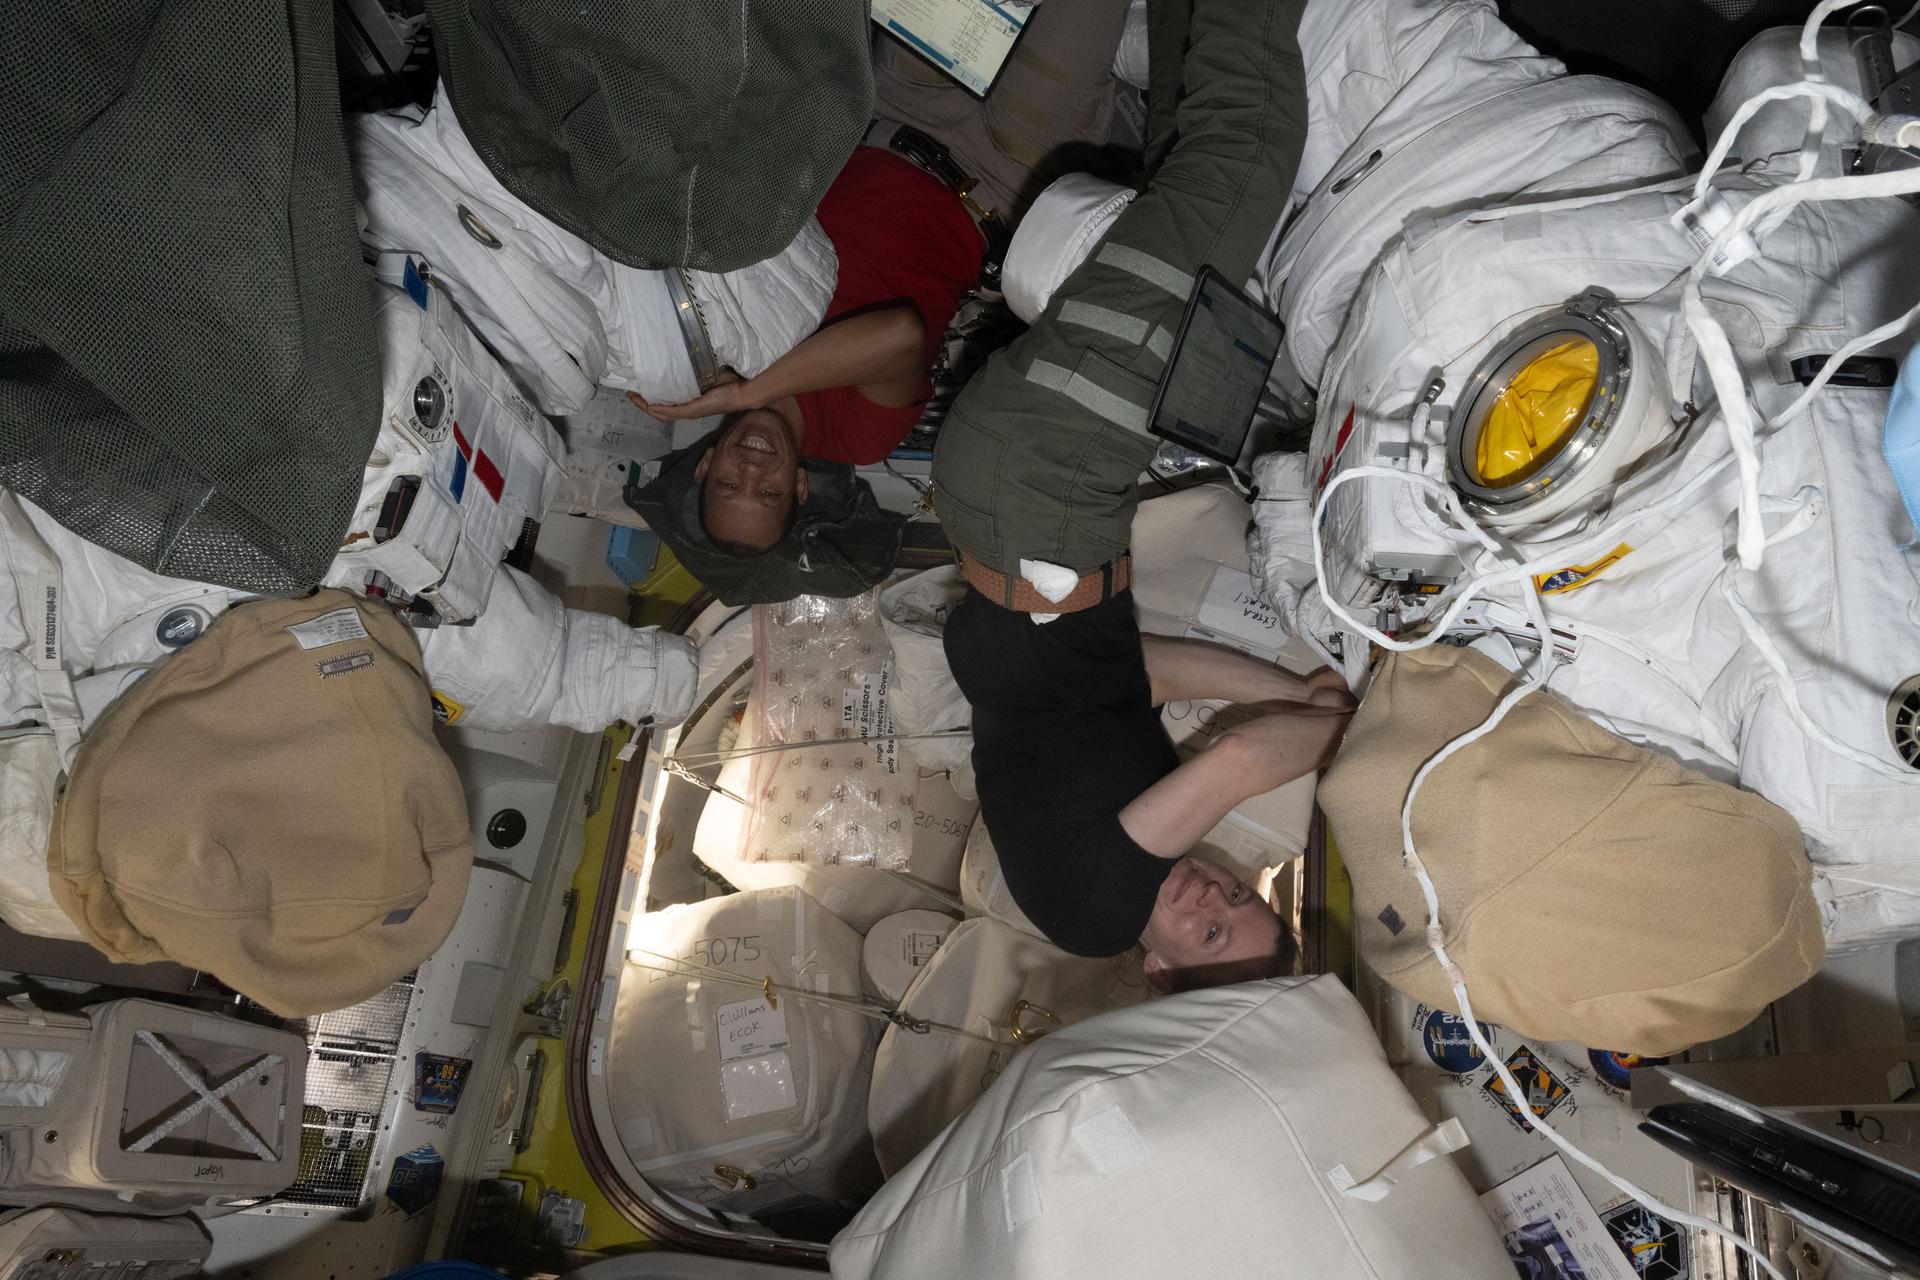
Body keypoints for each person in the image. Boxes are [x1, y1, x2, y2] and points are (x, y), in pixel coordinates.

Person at [933, 0, 1328, 985]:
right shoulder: (1119, 838)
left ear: (1156, 969)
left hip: (1047, 487)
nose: (1213, 898)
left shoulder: (1096, 912)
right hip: (1021, 507)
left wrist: (1360, 736)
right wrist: (1292, 689)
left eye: (1210, 934)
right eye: (1240, 901)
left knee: (1246, 156)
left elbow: (1242, 762)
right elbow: (1139, 675)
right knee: (1183, 187)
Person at [628, 147, 986, 554]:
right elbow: (901, 335)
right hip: (975, 179)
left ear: (706, 465)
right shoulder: (853, 438)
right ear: (799, 486)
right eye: (769, 493)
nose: (751, 470)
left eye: (728, 483)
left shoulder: (722, 361)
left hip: (862, 136)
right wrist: (748, 393)